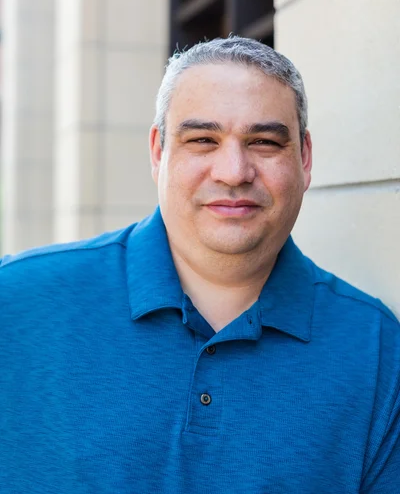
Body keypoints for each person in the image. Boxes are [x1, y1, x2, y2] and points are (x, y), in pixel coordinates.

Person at [1, 36, 399, 494]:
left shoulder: (376, 350)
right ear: (158, 152)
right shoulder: (14, 305)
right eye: (203, 139)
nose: (233, 171)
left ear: (304, 159)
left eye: (264, 141)